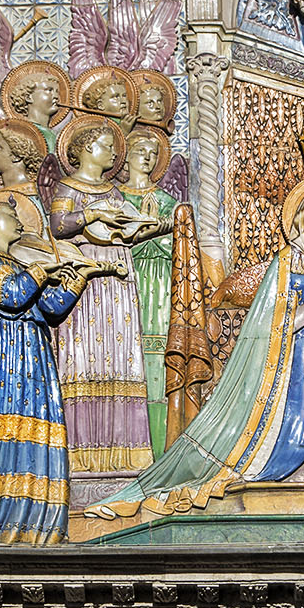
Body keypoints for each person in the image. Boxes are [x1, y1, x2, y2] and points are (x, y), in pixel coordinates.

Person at [87, 188, 304, 519]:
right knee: (268, 447)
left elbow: (302, 332)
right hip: (277, 378)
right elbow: (270, 327)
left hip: (297, 368)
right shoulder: (287, 262)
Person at [0, 196, 106, 544]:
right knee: (11, 422)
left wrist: (81, 276)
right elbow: (10, 295)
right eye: (10, 215)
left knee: (39, 421)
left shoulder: (16, 264)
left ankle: (36, 514)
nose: (19, 222)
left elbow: (50, 308)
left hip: (33, 350)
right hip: (8, 351)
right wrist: (41, 271)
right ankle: (4, 513)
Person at [47, 116, 154, 472]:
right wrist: (92, 213)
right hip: (85, 272)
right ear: (86, 149)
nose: (114, 154)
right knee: (83, 355)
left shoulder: (113, 192)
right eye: (107, 146)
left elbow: (125, 228)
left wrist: (147, 226)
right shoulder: (68, 188)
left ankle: (125, 451)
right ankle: (82, 452)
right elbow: (58, 226)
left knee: (121, 353)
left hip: (119, 274)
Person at [116, 126, 180, 458]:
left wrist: (158, 232)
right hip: (128, 280)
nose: (148, 158)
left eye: (154, 154)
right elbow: (113, 240)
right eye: (141, 152)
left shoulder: (168, 201)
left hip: (160, 281)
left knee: (157, 357)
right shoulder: (115, 199)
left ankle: (160, 445)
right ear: (125, 157)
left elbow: (179, 244)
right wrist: (148, 232)